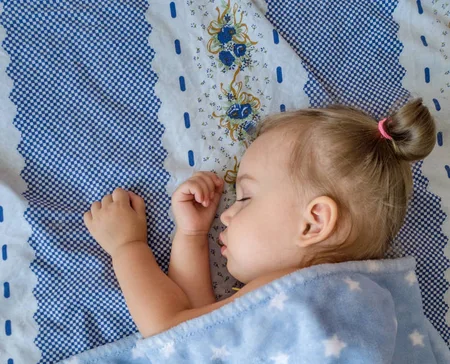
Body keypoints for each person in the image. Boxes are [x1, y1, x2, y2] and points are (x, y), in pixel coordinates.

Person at [83, 97, 436, 339]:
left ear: (313, 222)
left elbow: (175, 334)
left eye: (247, 197)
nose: (228, 214)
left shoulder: (300, 294)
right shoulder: (351, 294)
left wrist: (126, 246)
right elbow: (204, 331)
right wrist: (192, 234)